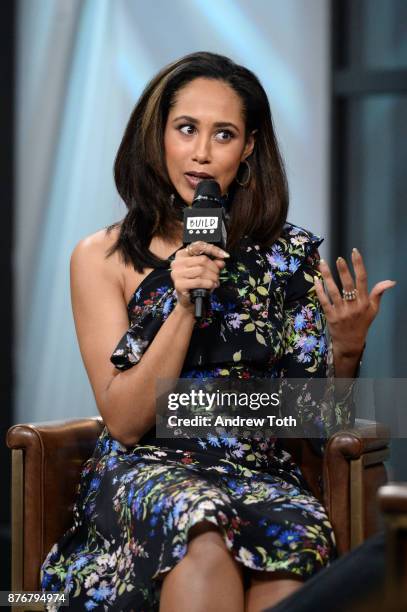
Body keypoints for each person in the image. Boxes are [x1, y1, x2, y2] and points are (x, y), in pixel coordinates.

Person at [39, 51, 396, 611]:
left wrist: (347, 350)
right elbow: (128, 421)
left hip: (258, 473)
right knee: (202, 533)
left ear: (248, 147)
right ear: (158, 135)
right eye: (186, 129)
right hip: (151, 471)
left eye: (224, 134)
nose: (202, 153)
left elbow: (315, 424)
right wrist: (183, 304)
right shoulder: (101, 257)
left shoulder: (286, 256)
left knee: (293, 552)